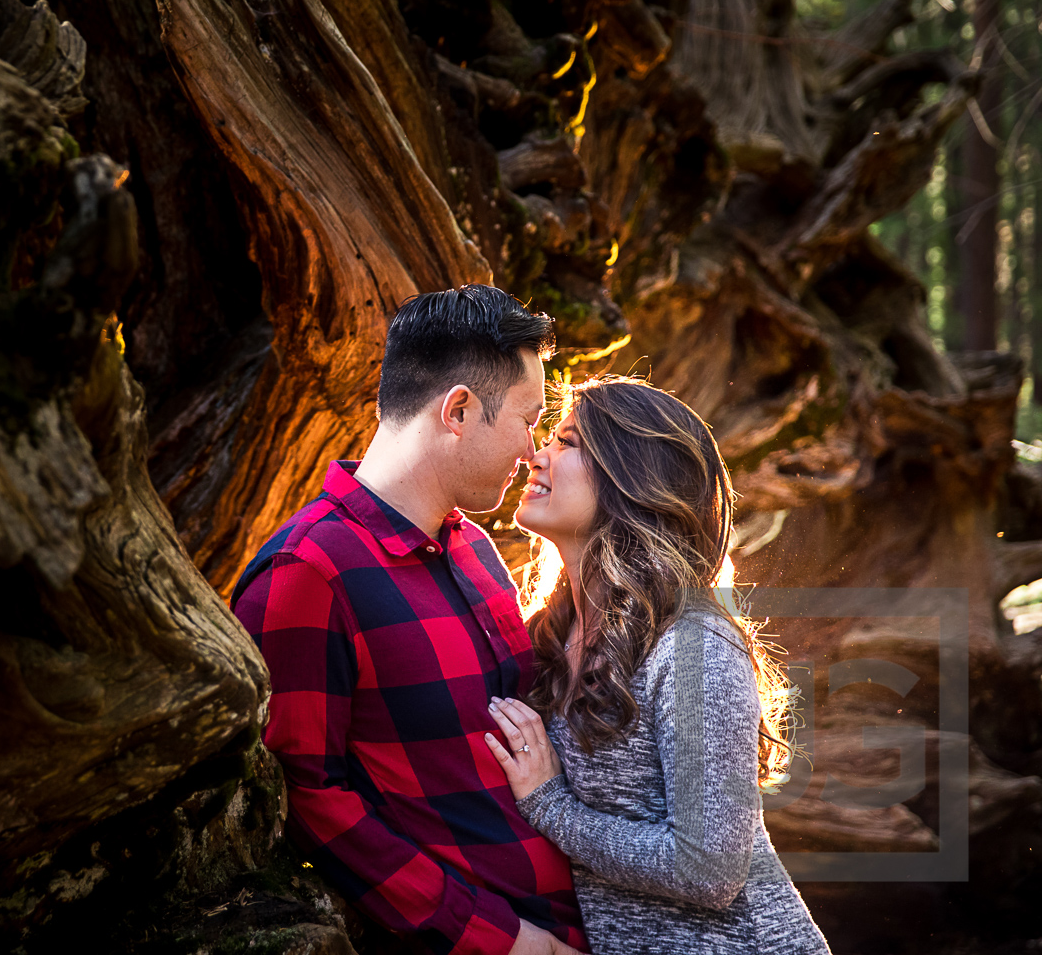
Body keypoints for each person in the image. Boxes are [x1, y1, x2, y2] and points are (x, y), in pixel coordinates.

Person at [232, 286, 585, 955]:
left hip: (588, 926)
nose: (532, 448)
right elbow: (311, 801)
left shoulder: (476, 551)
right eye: (528, 418)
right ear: (458, 410)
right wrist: (512, 944)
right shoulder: (309, 572)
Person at [482, 376, 830, 954]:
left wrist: (550, 806)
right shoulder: (552, 634)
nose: (535, 456)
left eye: (566, 442)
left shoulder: (694, 645)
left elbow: (711, 872)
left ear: (630, 476)